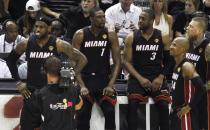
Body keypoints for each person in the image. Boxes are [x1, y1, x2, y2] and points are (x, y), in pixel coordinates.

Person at [6, 17, 87, 130]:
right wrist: (19, 82)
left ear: (49, 28)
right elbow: (10, 60)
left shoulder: (58, 44)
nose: (37, 29)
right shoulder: (27, 42)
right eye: (36, 26)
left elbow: (82, 59)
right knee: (26, 126)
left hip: (52, 93)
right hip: (32, 92)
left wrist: (69, 76)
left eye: (41, 27)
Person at [123, 8, 172, 130]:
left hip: (156, 76)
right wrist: (140, 79)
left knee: (164, 106)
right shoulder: (131, 37)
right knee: (132, 105)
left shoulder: (163, 36)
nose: (139, 21)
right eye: (139, 18)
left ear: (152, 21)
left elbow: (170, 61)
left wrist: (161, 77)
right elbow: (126, 62)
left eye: (143, 19)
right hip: (137, 77)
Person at [72, 7, 120, 130]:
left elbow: (118, 62)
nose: (103, 19)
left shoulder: (110, 34)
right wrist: (81, 85)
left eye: (103, 16)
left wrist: (111, 84)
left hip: (103, 79)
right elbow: (74, 63)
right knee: (82, 114)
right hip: (85, 79)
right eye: (99, 17)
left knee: (110, 111)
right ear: (91, 18)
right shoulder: (80, 34)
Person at [29, 56, 83, 130]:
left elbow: (34, 122)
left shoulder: (39, 94)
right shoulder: (73, 89)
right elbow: (78, 106)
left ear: (44, 71)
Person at [170, 37, 206, 130]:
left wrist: (189, 107)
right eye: (171, 44)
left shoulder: (186, 66)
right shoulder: (176, 64)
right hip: (176, 112)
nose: (170, 47)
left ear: (182, 49)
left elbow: (201, 88)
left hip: (186, 114)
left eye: (174, 45)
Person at [185, 16, 210, 130]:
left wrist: (201, 90)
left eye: (190, 26)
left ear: (199, 30)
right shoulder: (187, 44)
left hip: (203, 97)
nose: (187, 28)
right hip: (189, 94)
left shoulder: (208, 47)